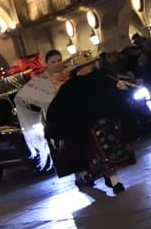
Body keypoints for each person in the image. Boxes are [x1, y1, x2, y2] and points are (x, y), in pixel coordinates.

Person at [44, 58, 135, 193]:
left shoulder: (100, 79)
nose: (91, 66)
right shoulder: (74, 85)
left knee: (105, 157)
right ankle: (109, 181)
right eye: (87, 65)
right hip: (89, 129)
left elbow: (117, 95)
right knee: (102, 157)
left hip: (102, 126)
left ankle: (113, 181)